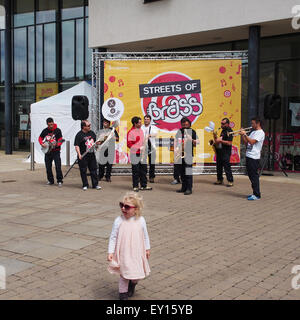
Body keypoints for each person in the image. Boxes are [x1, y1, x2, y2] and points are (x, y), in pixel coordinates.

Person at [107, 192, 150, 300]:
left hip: (137, 252)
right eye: (121, 205)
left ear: (136, 209)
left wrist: (147, 248)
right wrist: (110, 252)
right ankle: (123, 294)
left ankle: (133, 284)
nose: (123, 208)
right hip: (124, 253)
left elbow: (145, 236)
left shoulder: (141, 220)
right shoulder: (118, 221)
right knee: (124, 274)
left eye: (127, 207)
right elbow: (113, 237)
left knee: (136, 275)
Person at [239, 117, 265, 200]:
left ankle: (257, 194)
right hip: (249, 155)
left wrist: (245, 134)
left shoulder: (260, 133)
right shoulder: (253, 132)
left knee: (254, 176)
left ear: (258, 124)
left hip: (254, 157)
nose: (251, 125)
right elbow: (247, 142)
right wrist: (243, 135)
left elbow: (252, 142)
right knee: (250, 175)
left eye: (253, 123)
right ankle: (254, 193)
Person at [74, 120, 102, 191]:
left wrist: (97, 144)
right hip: (83, 155)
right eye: (88, 125)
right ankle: (85, 184)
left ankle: (95, 184)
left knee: (93, 169)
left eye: (90, 125)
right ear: (84, 127)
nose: (90, 127)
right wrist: (79, 154)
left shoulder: (92, 133)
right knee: (83, 170)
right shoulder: (79, 135)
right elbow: (77, 146)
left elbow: (95, 143)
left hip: (91, 154)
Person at [175, 117, 199, 195]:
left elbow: (197, 142)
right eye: (183, 124)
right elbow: (176, 141)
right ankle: (183, 187)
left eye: (186, 123)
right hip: (180, 154)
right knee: (182, 172)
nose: (185, 125)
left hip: (188, 154)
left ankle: (189, 188)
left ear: (189, 124)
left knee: (188, 172)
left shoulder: (192, 131)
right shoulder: (179, 131)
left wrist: (191, 139)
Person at [127, 116, 152, 192]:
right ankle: (135, 186)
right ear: (135, 123)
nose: (141, 123)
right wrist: (138, 148)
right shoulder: (131, 132)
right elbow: (129, 144)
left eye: (141, 122)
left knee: (144, 170)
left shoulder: (141, 131)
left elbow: (142, 141)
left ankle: (144, 185)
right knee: (136, 170)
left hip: (142, 153)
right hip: (135, 154)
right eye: (140, 122)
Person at [39, 117, 63, 187]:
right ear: (47, 124)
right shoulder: (45, 131)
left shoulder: (58, 130)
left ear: (53, 122)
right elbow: (40, 138)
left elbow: (60, 139)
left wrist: (57, 144)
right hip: (48, 152)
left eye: (52, 124)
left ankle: (59, 180)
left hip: (56, 151)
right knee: (48, 167)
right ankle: (50, 180)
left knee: (58, 166)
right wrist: (42, 144)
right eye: (49, 125)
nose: (51, 126)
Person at [213, 118, 234, 187]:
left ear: (227, 124)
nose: (221, 125)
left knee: (226, 166)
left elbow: (229, 143)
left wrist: (220, 141)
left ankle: (230, 181)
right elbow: (219, 140)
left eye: (223, 124)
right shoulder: (223, 131)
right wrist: (215, 136)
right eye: (221, 123)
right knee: (219, 166)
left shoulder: (230, 131)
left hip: (226, 152)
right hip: (220, 150)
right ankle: (219, 179)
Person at [141, 114, 158, 183]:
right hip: (143, 147)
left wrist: (149, 135)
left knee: (152, 163)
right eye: (145, 119)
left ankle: (151, 177)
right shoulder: (141, 127)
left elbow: (155, 134)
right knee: (143, 163)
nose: (146, 120)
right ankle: (143, 176)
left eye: (148, 119)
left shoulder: (153, 127)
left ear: (150, 120)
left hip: (152, 147)